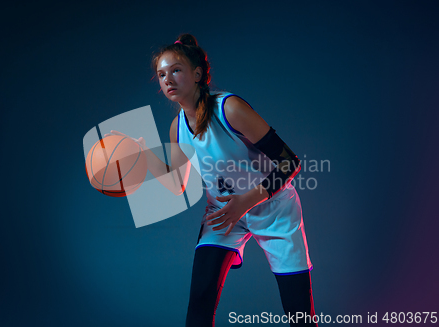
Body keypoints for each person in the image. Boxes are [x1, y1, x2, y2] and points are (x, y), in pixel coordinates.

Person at [109, 33, 317, 327]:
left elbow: (290, 163)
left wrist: (244, 202)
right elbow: (176, 184)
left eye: (176, 70)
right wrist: (142, 155)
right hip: (223, 216)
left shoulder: (229, 108)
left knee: (300, 316)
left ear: (197, 74)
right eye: (161, 74)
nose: (168, 79)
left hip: (273, 210)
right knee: (200, 305)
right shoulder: (176, 128)